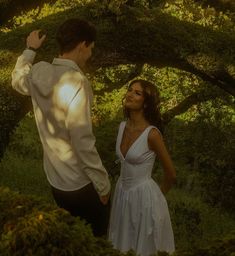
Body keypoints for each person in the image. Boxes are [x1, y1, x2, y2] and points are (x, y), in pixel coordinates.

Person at [11, 18, 111, 237]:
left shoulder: (40, 71)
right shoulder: (77, 81)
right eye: (91, 48)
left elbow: (17, 80)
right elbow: (82, 138)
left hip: (56, 181)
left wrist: (30, 50)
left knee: (71, 239)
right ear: (83, 44)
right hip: (80, 184)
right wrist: (102, 184)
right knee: (96, 243)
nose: (90, 54)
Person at [108, 79, 176, 255]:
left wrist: (156, 199)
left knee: (142, 249)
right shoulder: (122, 126)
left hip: (145, 199)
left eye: (137, 93)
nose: (130, 94)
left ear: (146, 104)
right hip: (122, 193)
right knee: (119, 246)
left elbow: (171, 174)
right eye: (130, 90)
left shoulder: (152, 134)